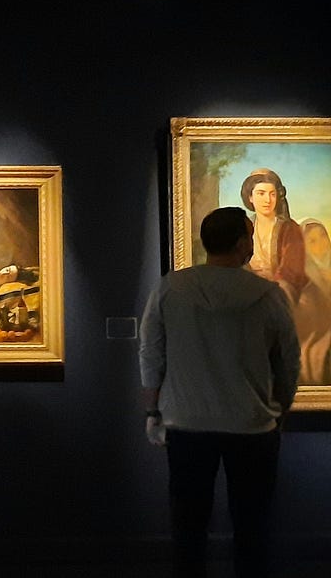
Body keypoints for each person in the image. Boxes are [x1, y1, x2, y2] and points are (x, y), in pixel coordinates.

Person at [139, 206, 300, 578]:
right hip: (252, 424)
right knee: (252, 527)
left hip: (186, 422)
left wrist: (152, 410)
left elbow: (151, 352)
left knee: (188, 528)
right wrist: (281, 408)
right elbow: (288, 360)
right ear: (242, 243)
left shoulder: (171, 287)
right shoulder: (267, 294)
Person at [242, 168, 306, 302]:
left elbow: (291, 272)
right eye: (261, 193)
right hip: (248, 292)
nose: (268, 200)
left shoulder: (289, 228)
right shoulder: (242, 228)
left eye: (272, 194)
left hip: (280, 293)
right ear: (250, 197)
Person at [295, 219, 331, 384]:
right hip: (316, 337)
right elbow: (306, 314)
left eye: (323, 236)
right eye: (312, 241)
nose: (320, 244)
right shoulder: (302, 278)